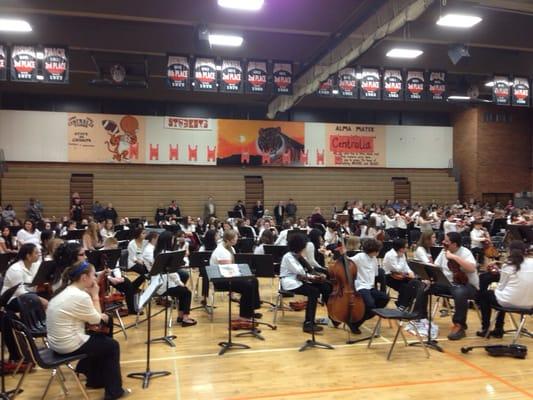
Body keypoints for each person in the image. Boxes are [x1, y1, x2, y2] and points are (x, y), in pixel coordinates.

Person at [46, 260, 131, 400]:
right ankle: (114, 392)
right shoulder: (80, 296)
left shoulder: (66, 290)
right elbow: (97, 321)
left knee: (100, 340)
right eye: (93, 275)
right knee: (111, 345)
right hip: (67, 344)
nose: (95, 278)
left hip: (56, 343)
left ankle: (95, 380)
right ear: (84, 278)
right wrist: (95, 295)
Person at [424, 231, 478, 340]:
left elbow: (472, 268)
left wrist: (454, 257)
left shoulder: (465, 252)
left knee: (459, 292)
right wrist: (429, 278)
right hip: (448, 284)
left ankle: (459, 325)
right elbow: (436, 267)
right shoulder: (444, 251)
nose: (443, 242)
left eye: (446, 241)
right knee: (422, 286)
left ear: (454, 244)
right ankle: (421, 317)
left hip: (467, 286)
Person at [477, 241, 533, 338]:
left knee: (486, 295)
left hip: (509, 302)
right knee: (501, 295)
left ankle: (486, 328)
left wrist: (496, 284)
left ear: (510, 252)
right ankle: (499, 329)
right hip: (530, 304)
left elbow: (502, 287)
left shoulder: (508, 265)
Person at [209, 230, 261, 329]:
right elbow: (228, 270)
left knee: (254, 280)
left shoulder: (231, 248)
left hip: (228, 276)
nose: (237, 239)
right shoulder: (221, 251)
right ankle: (244, 316)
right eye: (236, 238)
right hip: (220, 280)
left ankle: (251, 310)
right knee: (247, 286)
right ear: (229, 240)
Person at [280, 234, 332, 333]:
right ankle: (308, 323)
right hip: (291, 283)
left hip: (300, 280)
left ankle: (332, 317)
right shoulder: (289, 257)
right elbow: (300, 272)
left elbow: (309, 271)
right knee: (314, 292)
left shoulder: (298, 256)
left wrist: (317, 277)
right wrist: (313, 276)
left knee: (326, 286)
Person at [144, 231, 196, 326]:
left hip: (158, 283)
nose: (173, 241)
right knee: (187, 292)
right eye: (172, 239)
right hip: (163, 284)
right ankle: (185, 318)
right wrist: (179, 282)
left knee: (183, 292)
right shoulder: (166, 253)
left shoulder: (157, 251)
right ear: (168, 241)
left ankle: (181, 316)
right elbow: (171, 272)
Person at [349, 239, 389, 333]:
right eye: (378, 250)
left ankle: (367, 315)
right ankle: (355, 324)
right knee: (370, 304)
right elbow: (348, 262)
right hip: (360, 286)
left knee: (384, 298)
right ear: (373, 250)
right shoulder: (359, 257)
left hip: (370, 286)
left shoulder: (374, 259)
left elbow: (375, 273)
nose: (379, 252)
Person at [383, 238, 424, 312]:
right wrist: (406, 272)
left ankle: (405, 305)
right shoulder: (390, 255)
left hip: (401, 276)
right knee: (405, 287)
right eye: (406, 247)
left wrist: (410, 272)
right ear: (401, 248)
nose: (407, 248)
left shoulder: (402, 254)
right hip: (389, 277)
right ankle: (402, 305)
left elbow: (406, 267)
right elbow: (397, 269)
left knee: (414, 285)